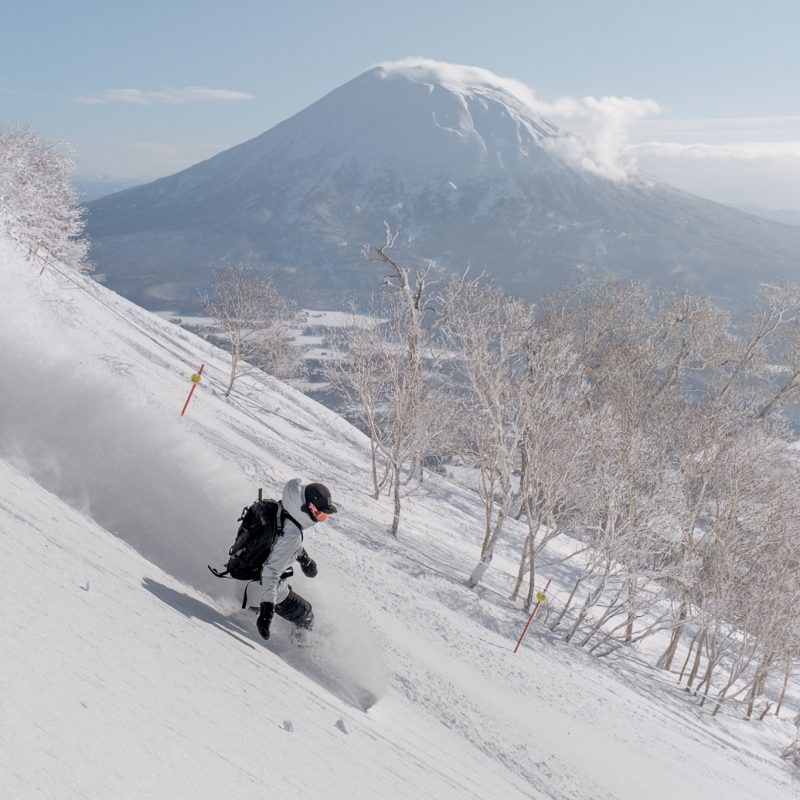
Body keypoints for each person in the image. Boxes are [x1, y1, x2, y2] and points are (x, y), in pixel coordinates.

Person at [250, 478, 337, 641]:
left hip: (248, 573)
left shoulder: (282, 509)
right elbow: (271, 573)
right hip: (258, 586)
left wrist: (305, 560)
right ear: (309, 508)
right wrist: (266, 612)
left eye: (324, 516)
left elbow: (280, 542)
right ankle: (299, 650)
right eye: (320, 515)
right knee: (306, 613)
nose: (320, 520)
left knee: (286, 588)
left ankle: (255, 608)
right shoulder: (293, 535)